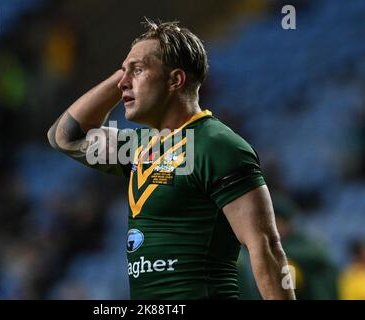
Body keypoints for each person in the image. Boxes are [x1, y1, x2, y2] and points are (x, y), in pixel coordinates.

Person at [47, 19, 295, 300]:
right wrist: (124, 75)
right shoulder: (139, 147)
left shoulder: (217, 145)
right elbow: (65, 136)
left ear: (176, 80)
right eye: (124, 72)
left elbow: (266, 247)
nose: (123, 82)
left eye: (138, 70)